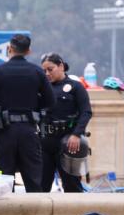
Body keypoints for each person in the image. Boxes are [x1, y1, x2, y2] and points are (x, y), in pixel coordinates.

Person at [0, 34, 54, 192]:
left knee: (3, 182)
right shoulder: (37, 72)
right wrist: (34, 109)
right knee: (34, 181)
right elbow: (51, 101)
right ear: (28, 51)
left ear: (9, 49)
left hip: (3, 133)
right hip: (29, 132)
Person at [39, 53, 91, 193]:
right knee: (40, 187)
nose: (47, 73)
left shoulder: (75, 87)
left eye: (50, 69)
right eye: (44, 71)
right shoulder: (42, 88)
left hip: (68, 142)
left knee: (71, 186)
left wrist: (76, 134)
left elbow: (86, 112)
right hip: (45, 142)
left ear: (61, 66)